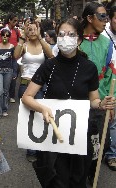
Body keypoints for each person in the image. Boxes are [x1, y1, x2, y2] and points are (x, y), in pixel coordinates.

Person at [22, 18, 115, 188]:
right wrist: (41, 108)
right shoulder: (48, 66)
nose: (66, 38)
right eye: (62, 34)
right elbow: (27, 97)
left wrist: (102, 104)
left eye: (71, 35)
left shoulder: (89, 68)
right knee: (57, 180)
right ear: (56, 37)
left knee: (78, 179)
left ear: (79, 39)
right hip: (53, 134)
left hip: (80, 134)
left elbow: (93, 100)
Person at [79, 2, 116, 183]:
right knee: (80, 144)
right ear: (89, 18)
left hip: (100, 104)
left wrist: (112, 101)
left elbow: (111, 75)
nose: (106, 20)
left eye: (106, 16)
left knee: (100, 144)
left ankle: (91, 175)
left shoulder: (108, 44)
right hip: (77, 105)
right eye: (102, 16)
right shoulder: (74, 41)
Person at [14, 22, 53, 163]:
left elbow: (51, 55)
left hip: (41, 86)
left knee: (40, 115)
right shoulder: (24, 45)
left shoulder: (43, 45)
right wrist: (22, 38)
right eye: (29, 29)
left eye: (34, 29)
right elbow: (15, 55)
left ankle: (40, 147)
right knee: (28, 116)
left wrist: (41, 37)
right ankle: (31, 149)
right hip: (25, 84)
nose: (31, 31)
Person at [101, 5, 116, 171]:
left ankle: (112, 152)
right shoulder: (103, 38)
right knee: (109, 121)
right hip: (107, 83)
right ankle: (109, 155)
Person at [0, 13, 21, 103]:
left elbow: (18, 42)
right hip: (4, 57)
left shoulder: (17, 31)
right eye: (14, 21)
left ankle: (11, 95)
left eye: (17, 21)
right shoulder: (2, 31)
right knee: (4, 76)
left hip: (14, 57)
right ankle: (2, 95)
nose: (16, 22)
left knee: (14, 76)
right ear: (9, 21)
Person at [0, 28, 15, 120]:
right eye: (3, 35)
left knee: (5, 91)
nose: (5, 37)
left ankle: (4, 110)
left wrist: (14, 72)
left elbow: (14, 60)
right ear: (0, 36)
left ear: (9, 37)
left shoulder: (12, 47)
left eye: (7, 35)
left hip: (8, 71)